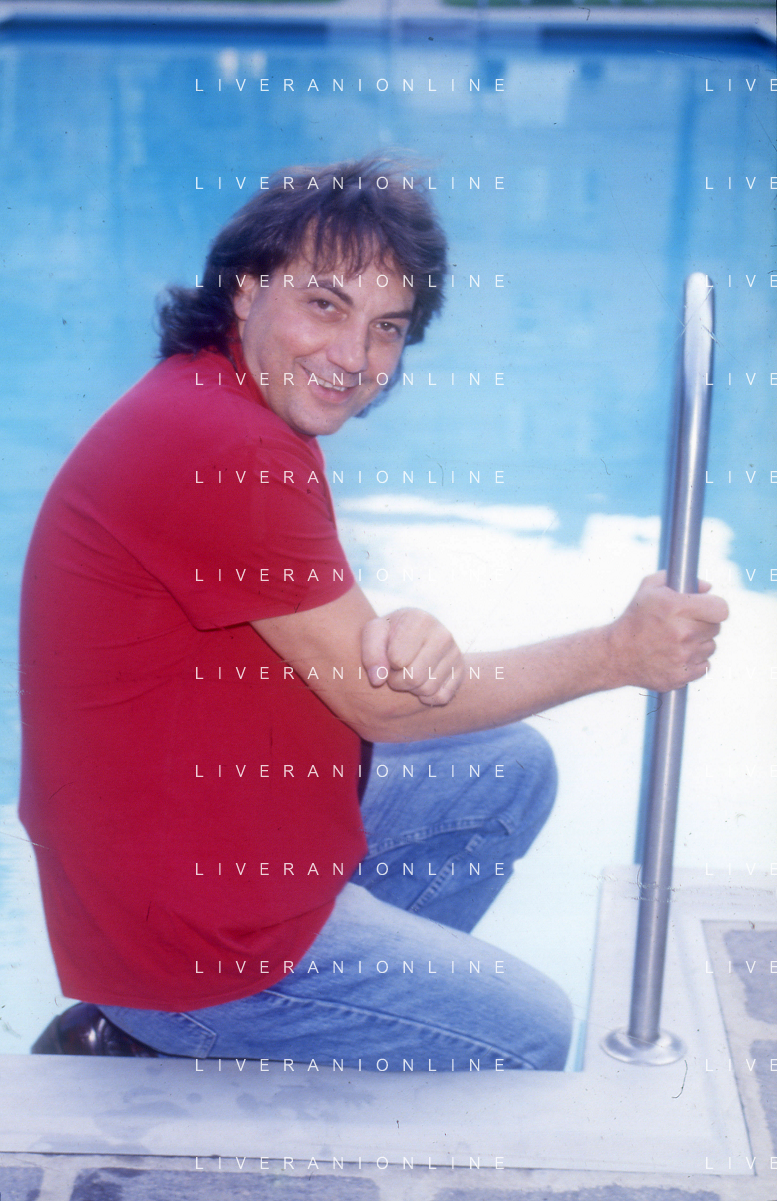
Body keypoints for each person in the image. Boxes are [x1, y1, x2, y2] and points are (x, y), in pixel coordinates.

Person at [21, 157, 727, 1071]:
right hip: (189, 943)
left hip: (198, 844)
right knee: (528, 1032)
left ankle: (320, 1034)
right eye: (325, 305)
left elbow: (329, 645)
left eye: (386, 327)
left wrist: (406, 634)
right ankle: (214, 1038)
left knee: (505, 771)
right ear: (246, 289)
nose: (355, 358)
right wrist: (617, 652)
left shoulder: (223, 394)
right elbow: (380, 705)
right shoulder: (225, 446)